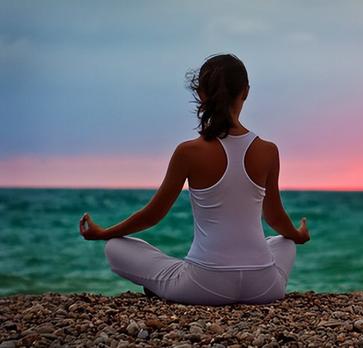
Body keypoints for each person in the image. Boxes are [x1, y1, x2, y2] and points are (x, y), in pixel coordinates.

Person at [78, 53, 311, 306]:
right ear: (245, 92)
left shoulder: (188, 152)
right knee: (283, 243)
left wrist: (104, 233)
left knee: (115, 248)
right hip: (264, 287)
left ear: (201, 94)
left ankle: (169, 284)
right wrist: (298, 235)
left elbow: (153, 214)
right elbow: (275, 217)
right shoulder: (268, 150)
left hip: (205, 286)